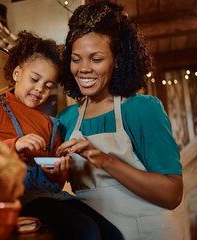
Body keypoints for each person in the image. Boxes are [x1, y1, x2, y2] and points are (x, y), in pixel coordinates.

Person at [0, 30, 123, 239]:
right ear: (17, 74)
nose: (39, 89)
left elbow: (55, 181)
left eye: (48, 86)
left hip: (49, 196)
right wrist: (14, 145)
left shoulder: (50, 124)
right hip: (12, 198)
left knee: (112, 235)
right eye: (34, 79)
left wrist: (59, 170)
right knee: (86, 232)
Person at [56, 1, 186, 239]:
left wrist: (105, 160)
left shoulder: (143, 110)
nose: (84, 69)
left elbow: (172, 195)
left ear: (117, 59)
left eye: (96, 59)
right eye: (76, 59)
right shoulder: (65, 119)